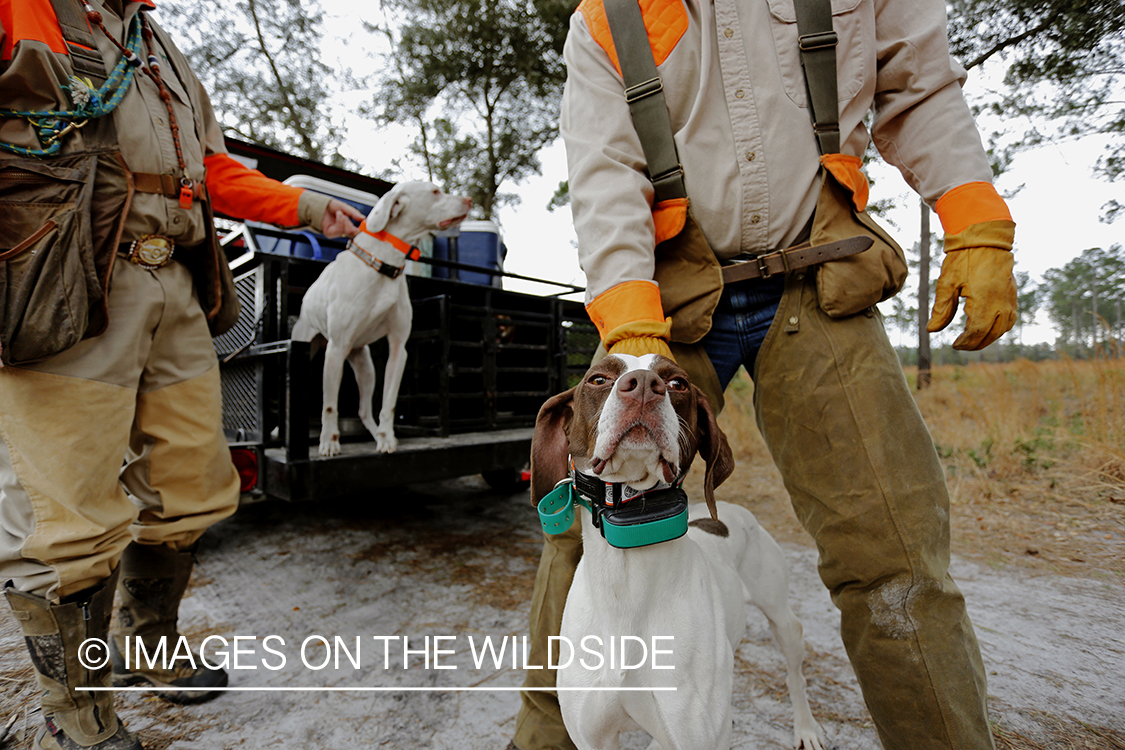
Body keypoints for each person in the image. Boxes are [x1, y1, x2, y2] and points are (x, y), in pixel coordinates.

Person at [510, 0, 1017, 748]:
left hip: (821, 278)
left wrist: (973, 216)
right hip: (665, 297)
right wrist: (634, 332)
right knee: (578, 532)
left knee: (894, 556)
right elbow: (605, 169)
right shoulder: (605, 16)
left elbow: (920, 85)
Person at [0, 1, 365, 748]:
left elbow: (209, 167)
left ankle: (147, 643)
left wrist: (298, 202)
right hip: (68, 276)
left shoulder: (156, 45)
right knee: (66, 512)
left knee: (192, 484)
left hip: (176, 283)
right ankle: (75, 711)